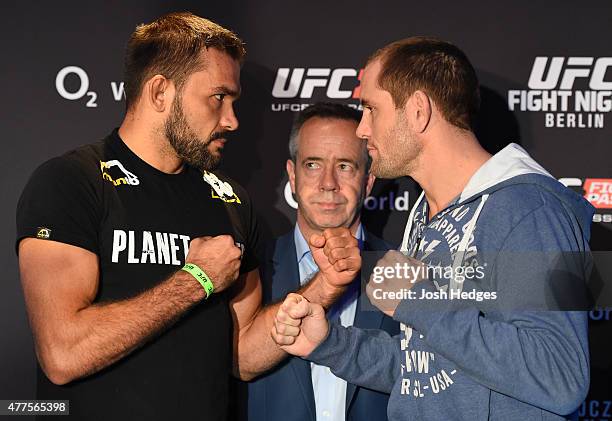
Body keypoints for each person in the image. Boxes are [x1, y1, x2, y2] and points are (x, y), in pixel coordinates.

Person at [16, 13, 360, 420]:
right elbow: (62, 353)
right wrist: (196, 279)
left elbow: (243, 355)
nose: (232, 119)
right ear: (160, 91)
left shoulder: (230, 201)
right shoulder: (72, 182)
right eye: (218, 97)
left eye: (234, 101)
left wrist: (325, 286)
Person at [271, 37, 593, 420]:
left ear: (419, 111)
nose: (361, 128)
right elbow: (427, 373)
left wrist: (419, 300)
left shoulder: (529, 209)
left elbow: (560, 375)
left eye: (371, 109)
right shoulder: (426, 215)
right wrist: (330, 344)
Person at [247, 102, 398, 421]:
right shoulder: (252, 269)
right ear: (292, 175)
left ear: (368, 181)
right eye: (313, 165)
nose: (328, 183)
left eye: (345, 166)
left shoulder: (401, 270)